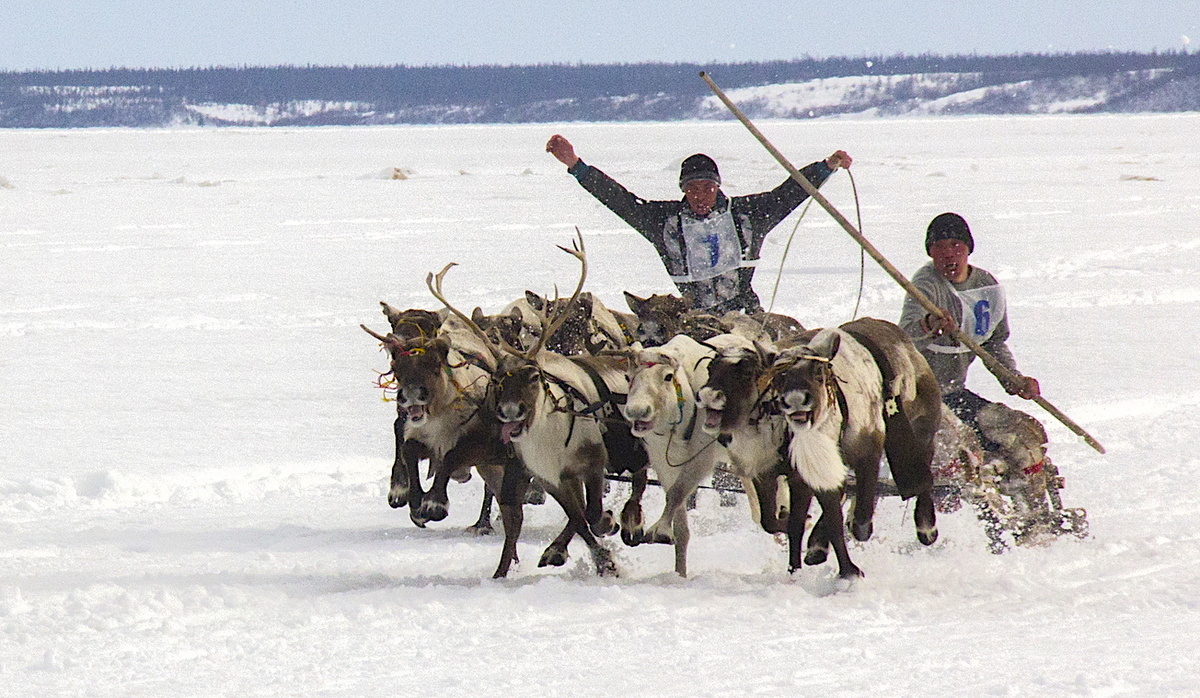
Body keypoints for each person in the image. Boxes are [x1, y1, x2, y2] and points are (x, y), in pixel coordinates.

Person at [545, 134, 852, 314]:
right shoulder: (664, 223)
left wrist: (825, 168)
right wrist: (576, 165)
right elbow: (619, 200)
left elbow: (789, 193)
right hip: (694, 319)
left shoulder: (747, 215)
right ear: (682, 190)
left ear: (717, 187)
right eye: (692, 188)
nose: (700, 195)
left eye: (707, 187)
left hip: (745, 314)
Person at [899, 212, 1040, 432]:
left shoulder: (986, 287)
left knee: (1017, 434)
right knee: (960, 450)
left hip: (954, 393)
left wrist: (1012, 378)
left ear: (968, 249)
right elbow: (904, 341)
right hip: (918, 399)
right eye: (939, 247)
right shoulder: (926, 285)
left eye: (955, 245)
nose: (948, 254)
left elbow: (992, 342)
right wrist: (928, 325)